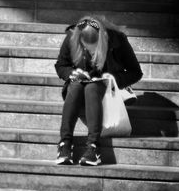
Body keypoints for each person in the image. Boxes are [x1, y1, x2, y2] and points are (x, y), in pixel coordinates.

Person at [54, 16, 143, 166]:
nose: (90, 50)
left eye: (94, 47)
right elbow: (61, 65)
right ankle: (65, 144)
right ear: (79, 38)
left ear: (102, 38)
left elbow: (136, 72)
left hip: (104, 89)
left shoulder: (117, 40)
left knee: (92, 87)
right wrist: (71, 73)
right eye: (86, 47)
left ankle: (93, 148)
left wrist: (111, 78)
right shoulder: (72, 36)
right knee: (75, 85)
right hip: (78, 90)